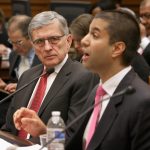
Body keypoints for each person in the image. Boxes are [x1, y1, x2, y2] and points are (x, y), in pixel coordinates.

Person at [13, 10, 150, 149]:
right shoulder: (98, 92)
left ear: (117, 48)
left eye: (94, 35)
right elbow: (74, 144)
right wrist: (44, 132)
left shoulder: (144, 102)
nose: (84, 41)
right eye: (40, 41)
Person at [2, 11, 99, 141]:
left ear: (68, 41)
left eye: (54, 39)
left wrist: (44, 131)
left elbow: (76, 139)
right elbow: (8, 128)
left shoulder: (84, 76)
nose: (47, 47)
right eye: (40, 41)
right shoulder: (27, 76)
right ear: (33, 46)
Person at [0, 15, 41, 93]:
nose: (14, 48)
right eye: (11, 42)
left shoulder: (45, 57)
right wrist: (6, 86)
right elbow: (15, 83)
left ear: (31, 36)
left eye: (18, 42)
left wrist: (21, 89)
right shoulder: (13, 55)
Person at [139, 0, 150, 66]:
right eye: (141, 17)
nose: (143, 22)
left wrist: (143, 39)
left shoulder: (142, 38)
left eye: (148, 16)